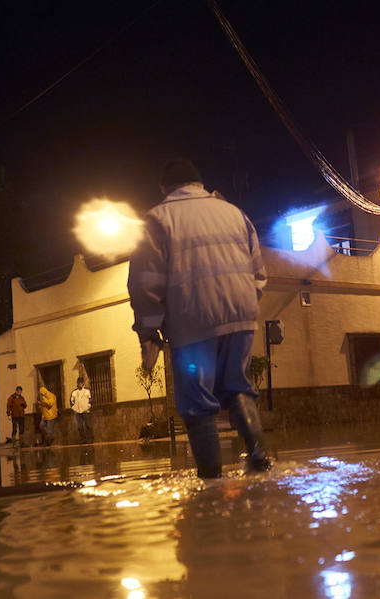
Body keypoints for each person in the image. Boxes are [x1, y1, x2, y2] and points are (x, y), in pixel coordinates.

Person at [127, 158, 271, 478]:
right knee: (237, 388)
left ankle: (211, 483)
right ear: (199, 184)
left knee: (197, 403)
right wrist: (242, 307)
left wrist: (148, 334)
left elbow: (144, 284)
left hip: (192, 322)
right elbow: (259, 274)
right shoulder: (234, 213)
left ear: (165, 189)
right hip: (240, 317)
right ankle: (259, 458)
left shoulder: (157, 219)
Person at [70, 377, 93, 444]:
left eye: (81, 383)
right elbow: (71, 401)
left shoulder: (87, 391)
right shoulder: (74, 392)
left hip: (86, 411)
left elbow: (91, 399)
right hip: (78, 412)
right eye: (78, 383)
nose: (79, 384)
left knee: (88, 425)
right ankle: (83, 439)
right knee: (80, 427)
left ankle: (90, 439)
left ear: (83, 383)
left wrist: (88, 407)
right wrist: (74, 408)